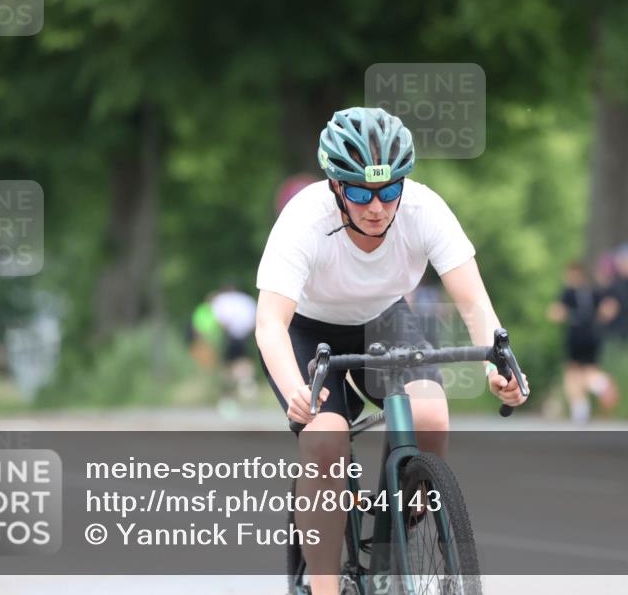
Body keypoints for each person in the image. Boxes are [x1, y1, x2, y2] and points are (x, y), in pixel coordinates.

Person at [255, 106, 528, 595]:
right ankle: (323, 586)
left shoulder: (425, 210)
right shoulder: (303, 220)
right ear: (337, 186)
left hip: (383, 318)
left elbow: (472, 300)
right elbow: (270, 323)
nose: (376, 207)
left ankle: (398, 533)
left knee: (430, 416)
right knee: (325, 441)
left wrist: (497, 363)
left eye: (388, 191)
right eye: (360, 192)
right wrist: (296, 390)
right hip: (306, 329)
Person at [546, 260, 619, 423]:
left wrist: (558, 314)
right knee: (588, 370)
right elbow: (609, 309)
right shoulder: (594, 292)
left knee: (572, 374)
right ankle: (599, 384)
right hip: (593, 335)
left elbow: (556, 312)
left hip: (575, 336)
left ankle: (582, 407)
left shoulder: (569, 292)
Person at [210, 283, 258, 412]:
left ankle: (228, 398)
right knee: (244, 362)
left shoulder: (222, 300)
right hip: (245, 336)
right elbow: (253, 321)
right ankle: (246, 385)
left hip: (229, 336)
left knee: (227, 368)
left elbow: (220, 320)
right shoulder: (247, 300)